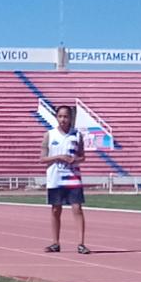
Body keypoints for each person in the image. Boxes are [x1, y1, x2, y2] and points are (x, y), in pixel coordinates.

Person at [43, 103, 89, 254]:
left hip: (72, 177)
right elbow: (42, 159)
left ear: (70, 118)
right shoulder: (49, 135)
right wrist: (59, 157)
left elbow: (83, 156)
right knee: (56, 209)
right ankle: (55, 243)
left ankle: (81, 243)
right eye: (60, 116)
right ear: (56, 117)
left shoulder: (76, 135)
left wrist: (75, 160)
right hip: (55, 177)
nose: (63, 119)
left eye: (66, 116)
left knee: (77, 208)